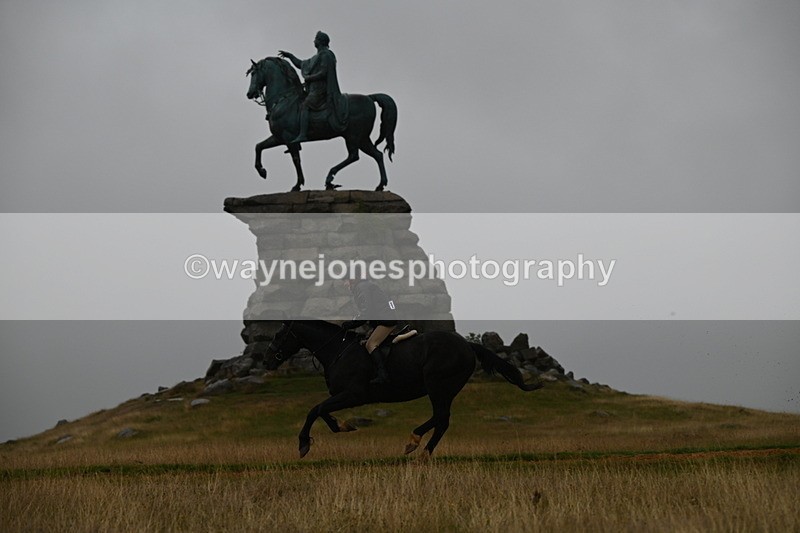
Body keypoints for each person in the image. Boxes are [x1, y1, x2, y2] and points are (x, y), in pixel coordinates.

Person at [278, 31, 348, 144]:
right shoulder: (316, 57)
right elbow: (301, 64)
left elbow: (324, 72)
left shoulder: (326, 55)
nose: (314, 41)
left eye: (316, 39)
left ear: (320, 41)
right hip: (313, 89)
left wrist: (310, 78)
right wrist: (290, 56)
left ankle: (303, 134)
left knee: (305, 105)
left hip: (321, 90)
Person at [341, 277, 397, 384]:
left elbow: (366, 312)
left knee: (371, 344)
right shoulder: (364, 286)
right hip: (381, 320)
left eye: (345, 280)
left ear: (352, 279)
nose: (344, 284)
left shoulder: (361, 287)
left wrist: (351, 323)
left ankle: (383, 375)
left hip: (385, 321)